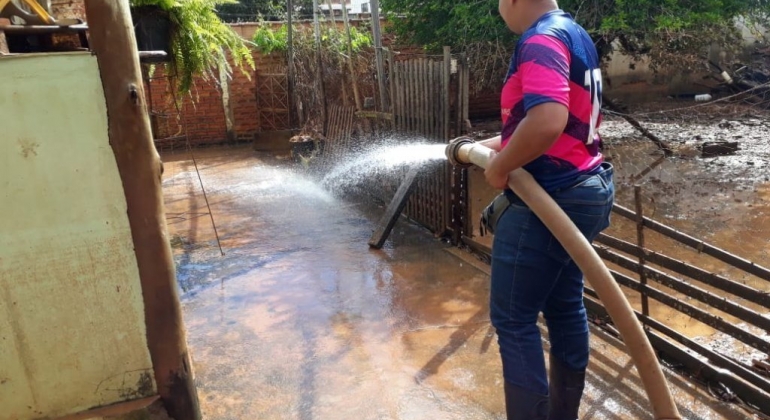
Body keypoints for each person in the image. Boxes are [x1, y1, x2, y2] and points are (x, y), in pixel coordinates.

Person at [478, 1, 615, 419]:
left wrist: (500, 168)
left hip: (551, 197)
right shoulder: (573, 33)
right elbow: (563, 124)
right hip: (586, 186)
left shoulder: (539, 39)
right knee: (563, 304)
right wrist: (486, 148)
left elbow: (546, 121)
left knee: (514, 321)